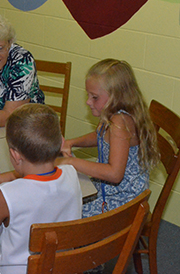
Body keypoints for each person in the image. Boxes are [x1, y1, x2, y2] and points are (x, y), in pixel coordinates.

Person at [0, 104, 82, 274]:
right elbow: (43, 179)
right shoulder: (71, 174)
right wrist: (14, 174)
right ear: (61, 142)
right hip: (60, 269)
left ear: (14, 155)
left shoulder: (6, 195)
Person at [56, 59, 160, 218]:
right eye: (88, 95)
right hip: (110, 190)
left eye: (95, 97)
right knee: (65, 197)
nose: (88, 101)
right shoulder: (113, 113)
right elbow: (101, 137)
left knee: (61, 211)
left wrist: (71, 162)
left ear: (116, 96)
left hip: (123, 201)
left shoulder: (120, 122)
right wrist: (72, 142)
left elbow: (114, 174)